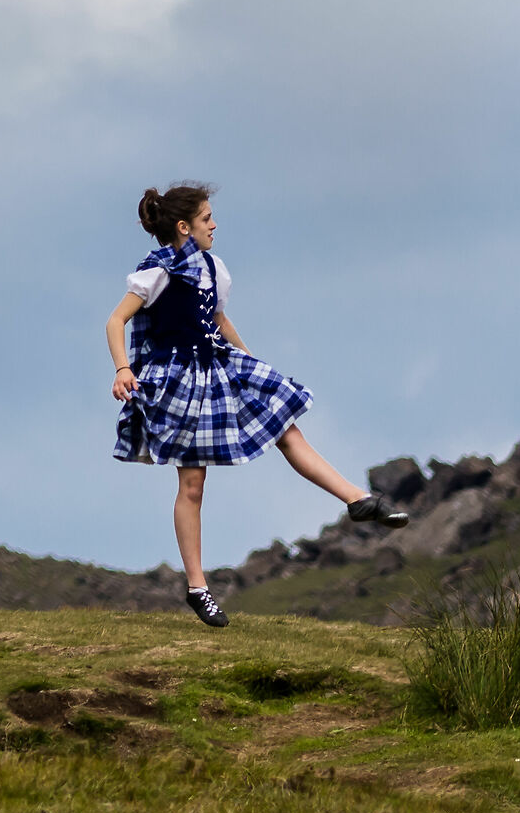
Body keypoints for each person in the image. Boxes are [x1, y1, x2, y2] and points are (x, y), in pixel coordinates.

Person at [108, 183, 407, 627]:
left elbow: (219, 319)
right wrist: (122, 369)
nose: (214, 224)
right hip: (179, 379)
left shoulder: (214, 269)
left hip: (220, 364)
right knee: (192, 484)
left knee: (285, 427)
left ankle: (358, 500)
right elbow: (117, 320)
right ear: (184, 226)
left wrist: (247, 359)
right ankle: (197, 588)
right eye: (207, 218)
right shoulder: (157, 272)